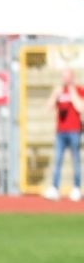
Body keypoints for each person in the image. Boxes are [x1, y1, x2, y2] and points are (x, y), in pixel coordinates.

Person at [47, 70, 83, 201]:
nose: (65, 79)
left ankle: (76, 188)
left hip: (74, 130)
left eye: (67, 77)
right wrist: (55, 95)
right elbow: (49, 107)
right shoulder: (59, 91)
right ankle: (54, 188)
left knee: (76, 160)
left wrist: (73, 93)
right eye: (63, 77)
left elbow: (81, 108)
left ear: (72, 77)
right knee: (57, 160)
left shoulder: (79, 90)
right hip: (60, 132)